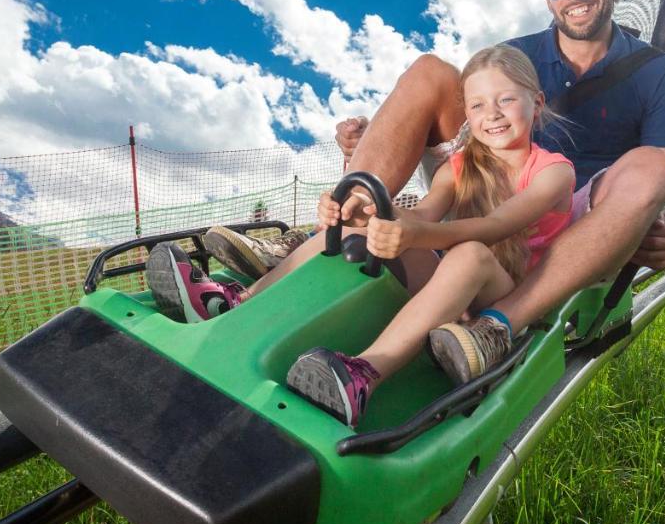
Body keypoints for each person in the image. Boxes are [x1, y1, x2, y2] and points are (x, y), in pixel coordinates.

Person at [204, 0, 665, 385]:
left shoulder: (655, 70)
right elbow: (473, 133)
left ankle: (499, 325)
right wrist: (378, 137)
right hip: (490, 181)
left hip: (574, 214)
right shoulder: (518, 55)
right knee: (431, 72)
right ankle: (330, 228)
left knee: (653, 165)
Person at [149, 46, 575, 428]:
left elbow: (497, 225)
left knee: (470, 254)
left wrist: (419, 232)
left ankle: (362, 376)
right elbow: (423, 214)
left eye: (505, 100)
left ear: (536, 104)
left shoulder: (554, 171)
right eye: (478, 105)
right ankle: (232, 301)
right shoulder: (459, 166)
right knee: (359, 227)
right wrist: (360, 213)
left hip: (501, 297)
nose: (492, 114)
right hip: (452, 284)